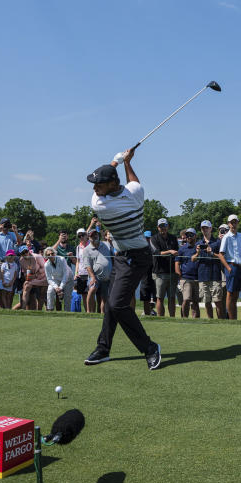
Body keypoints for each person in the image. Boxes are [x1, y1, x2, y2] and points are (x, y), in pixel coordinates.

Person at [82, 147, 161, 370]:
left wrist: (116, 160)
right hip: (120, 256)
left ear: (113, 184)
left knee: (116, 304)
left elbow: (126, 180)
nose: (95, 189)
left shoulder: (101, 205)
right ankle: (103, 348)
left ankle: (149, 347)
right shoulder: (135, 195)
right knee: (110, 306)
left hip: (137, 258)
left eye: (99, 185)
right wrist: (127, 162)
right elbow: (134, 182)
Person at [150, 218, 180, 317]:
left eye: (165, 226)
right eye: (161, 226)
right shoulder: (153, 238)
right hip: (159, 273)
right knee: (160, 298)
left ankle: (172, 318)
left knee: (172, 297)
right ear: (158, 227)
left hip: (172, 273)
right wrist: (170, 251)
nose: (163, 228)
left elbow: (177, 253)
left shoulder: (173, 238)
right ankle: (161, 318)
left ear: (168, 227)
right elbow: (156, 253)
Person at [219, 214, 241, 320]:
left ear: (237, 223)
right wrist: (228, 268)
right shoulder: (226, 237)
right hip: (232, 266)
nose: (233, 224)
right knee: (230, 293)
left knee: (236, 294)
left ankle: (234, 318)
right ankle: (231, 319)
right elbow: (221, 254)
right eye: (231, 222)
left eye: (235, 222)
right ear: (228, 224)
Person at [196, 220, 225, 319]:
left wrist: (212, 253)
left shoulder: (218, 242)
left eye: (206, 228)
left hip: (215, 275)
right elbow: (194, 259)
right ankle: (210, 322)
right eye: (203, 228)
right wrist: (197, 253)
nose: (205, 230)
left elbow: (222, 257)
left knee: (218, 302)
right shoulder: (199, 243)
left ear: (211, 229)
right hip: (203, 276)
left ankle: (221, 322)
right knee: (207, 302)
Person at [0, 218, 22, 304]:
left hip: (10, 263)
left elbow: (19, 243)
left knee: (9, 288)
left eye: (7, 224)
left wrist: (15, 231)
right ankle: (2, 308)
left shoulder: (11, 234)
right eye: (4, 224)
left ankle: (7, 307)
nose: (6, 227)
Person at [83, 228, 113, 313]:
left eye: (96, 234)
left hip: (107, 277)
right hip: (95, 276)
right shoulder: (86, 250)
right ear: (89, 237)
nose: (95, 236)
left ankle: (103, 314)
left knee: (105, 297)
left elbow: (113, 257)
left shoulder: (106, 245)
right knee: (92, 289)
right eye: (92, 235)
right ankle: (89, 312)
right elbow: (87, 266)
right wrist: (92, 277)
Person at [175, 228, 201, 318]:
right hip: (186, 278)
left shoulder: (199, 247)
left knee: (195, 302)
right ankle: (185, 318)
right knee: (186, 299)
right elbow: (177, 263)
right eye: (187, 235)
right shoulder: (182, 249)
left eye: (191, 235)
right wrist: (180, 277)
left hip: (198, 278)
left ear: (195, 236)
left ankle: (195, 320)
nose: (189, 237)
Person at [44, 247, 75, 312]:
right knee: (50, 291)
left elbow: (66, 274)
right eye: (48, 254)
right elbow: (49, 278)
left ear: (55, 253)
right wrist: (56, 287)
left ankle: (67, 313)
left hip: (69, 279)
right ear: (46, 256)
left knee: (67, 297)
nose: (51, 255)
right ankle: (50, 310)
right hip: (56, 279)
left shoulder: (62, 259)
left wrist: (61, 287)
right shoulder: (46, 265)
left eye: (52, 253)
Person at [74, 228, 91, 312]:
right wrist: (76, 273)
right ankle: (87, 312)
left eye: (82, 235)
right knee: (84, 295)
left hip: (90, 273)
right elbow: (78, 261)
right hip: (81, 273)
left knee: (90, 294)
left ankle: (91, 311)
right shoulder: (78, 247)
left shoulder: (91, 245)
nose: (81, 237)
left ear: (86, 235)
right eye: (79, 236)